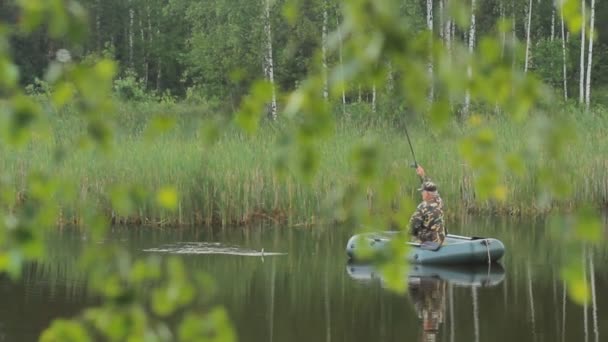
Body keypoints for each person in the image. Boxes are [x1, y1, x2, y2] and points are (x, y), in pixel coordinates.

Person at [409, 165, 445, 245]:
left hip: (429, 243)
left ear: (428, 194)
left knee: (414, 231)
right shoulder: (439, 201)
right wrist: (423, 175)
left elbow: (412, 227)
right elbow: (432, 187)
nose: (421, 193)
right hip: (440, 240)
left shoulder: (423, 207)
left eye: (423, 192)